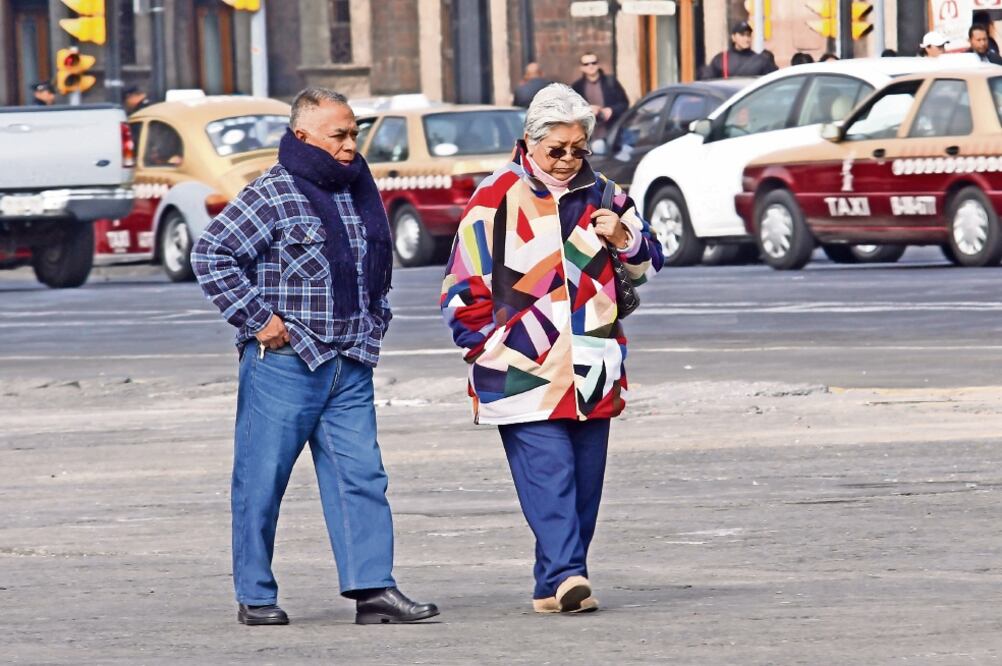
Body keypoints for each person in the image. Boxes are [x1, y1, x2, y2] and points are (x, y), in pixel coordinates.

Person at [191, 87, 438, 627]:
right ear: (302, 136)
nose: (352, 145)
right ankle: (255, 596)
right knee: (261, 482)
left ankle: (374, 591)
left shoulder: (358, 190)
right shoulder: (273, 193)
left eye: (354, 133)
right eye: (339, 135)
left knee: (363, 478)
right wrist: (259, 320)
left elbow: (372, 265)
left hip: (350, 361)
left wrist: (377, 320)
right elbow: (212, 253)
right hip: (285, 363)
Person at [440, 83, 663, 615]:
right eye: (555, 150)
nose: (567, 160)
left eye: (578, 149)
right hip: (520, 370)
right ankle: (568, 574)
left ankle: (550, 585)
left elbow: (649, 264)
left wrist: (625, 239)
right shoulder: (494, 197)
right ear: (529, 143)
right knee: (551, 475)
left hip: (592, 365)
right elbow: (461, 287)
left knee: (584, 487)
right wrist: (487, 347)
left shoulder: (607, 195)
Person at [570, 52, 629, 147]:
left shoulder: (611, 82)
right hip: (589, 137)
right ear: (582, 68)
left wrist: (611, 110)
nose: (591, 66)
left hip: (613, 134)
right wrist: (588, 109)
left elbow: (624, 104)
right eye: (586, 64)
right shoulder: (577, 87)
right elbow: (572, 110)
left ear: (598, 65)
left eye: (593, 63)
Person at [699, 21, 778, 79]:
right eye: (742, 35)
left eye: (748, 35)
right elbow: (708, 80)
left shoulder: (760, 60)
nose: (746, 39)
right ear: (733, 37)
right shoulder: (721, 59)